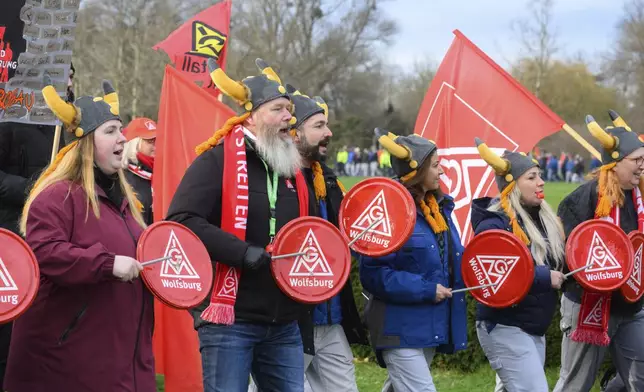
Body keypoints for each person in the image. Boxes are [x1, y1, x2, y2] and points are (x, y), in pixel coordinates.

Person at [165, 58, 312, 392]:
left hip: (284, 320)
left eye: (289, 109)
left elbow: (308, 231)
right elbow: (181, 221)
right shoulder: (216, 159)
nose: (289, 117)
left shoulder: (292, 169)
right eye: (279, 109)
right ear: (253, 114)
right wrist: (243, 253)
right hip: (231, 320)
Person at [4, 77, 155, 391]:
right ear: (86, 142)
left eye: (122, 130)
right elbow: (44, 253)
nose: (122, 139)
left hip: (119, 363)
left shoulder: (127, 202)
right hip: (65, 367)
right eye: (111, 131)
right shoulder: (56, 197)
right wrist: (108, 264)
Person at [359, 130, 467, 392]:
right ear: (416, 171)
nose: (441, 172)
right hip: (399, 331)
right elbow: (374, 274)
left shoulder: (439, 208)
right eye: (435, 165)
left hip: (428, 328)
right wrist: (426, 289)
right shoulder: (390, 211)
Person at [554, 110, 644, 392]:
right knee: (575, 384)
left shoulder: (639, 196)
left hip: (631, 305)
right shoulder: (582, 199)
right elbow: (567, 254)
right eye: (637, 160)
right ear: (614, 164)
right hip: (589, 305)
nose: (643, 166)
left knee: (639, 377)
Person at [288, 85, 369, 391]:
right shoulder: (278, 180)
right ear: (294, 132)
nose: (329, 133)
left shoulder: (330, 179)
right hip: (291, 321)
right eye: (319, 126)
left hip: (331, 315)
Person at [470, 139, 566, 392]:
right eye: (532, 177)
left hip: (533, 325)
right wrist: (544, 278)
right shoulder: (493, 225)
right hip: (503, 325)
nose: (541, 182)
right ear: (513, 185)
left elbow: (559, 264)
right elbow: (495, 276)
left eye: (540, 176)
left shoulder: (543, 219)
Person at [0, 63, 73, 387]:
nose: (67, 82)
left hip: (56, 244)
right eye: (60, 75)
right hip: (11, 244)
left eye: (71, 76)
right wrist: (34, 190)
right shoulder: (9, 118)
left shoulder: (72, 127)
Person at [121, 117, 157, 225]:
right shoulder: (123, 178)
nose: (157, 145)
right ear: (134, 144)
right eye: (150, 141)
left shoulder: (163, 174)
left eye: (158, 140)